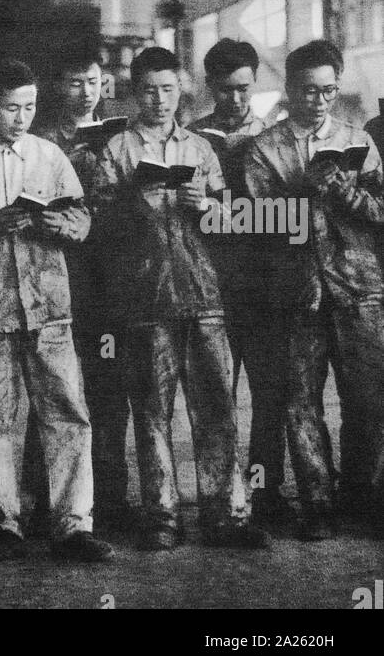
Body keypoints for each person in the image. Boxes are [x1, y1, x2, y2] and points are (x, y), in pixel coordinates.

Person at [90, 46, 267, 552]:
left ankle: (225, 514)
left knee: (217, 410)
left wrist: (206, 205)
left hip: (205, 293)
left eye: (168, 89)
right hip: (144, 299)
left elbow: (234, 220)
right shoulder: (116, 151)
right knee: (151, 413)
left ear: (180, 90)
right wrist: (133, 207)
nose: (160, 100)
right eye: (149, 90)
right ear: (133, 93)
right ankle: (161, 515)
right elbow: (98, 228)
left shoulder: (200, 149)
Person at [0, 58, 114, 565]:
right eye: (11, 108)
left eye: (30, 107)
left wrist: (58, 225)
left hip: (50, 308)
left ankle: (73, 525)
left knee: (68, 415)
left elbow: (81, 220)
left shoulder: (50, 155)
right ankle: (2, 525)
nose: (21, 117)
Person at [244, 40, 384, 540]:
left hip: (358, 288)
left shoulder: (359, 143)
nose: (320, 101)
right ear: (289, 90)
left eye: (329, 90)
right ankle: (317, 502)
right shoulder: (265, 147)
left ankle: (362, 497)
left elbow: (381, 214)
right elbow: (259, 221)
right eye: (309, 91)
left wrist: (344, 191)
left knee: (368, 401)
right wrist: (307, 189)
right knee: (300, 401)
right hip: (297, 289)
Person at [34, 45, 132, 533]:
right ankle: (45, 498)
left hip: (110, 276)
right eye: (75, 82)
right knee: (53, 394)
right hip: (59, 276)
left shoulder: (122, 134)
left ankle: (111, 497)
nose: (87, 91)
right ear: (56, 86)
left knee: (109, 390)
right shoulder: (39, 139)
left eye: (94, 82)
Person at [190, 39, 287, 529]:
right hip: (210, 286)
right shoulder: (189, 141)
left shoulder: (273, 137)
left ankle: (265, 489)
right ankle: (224, 499)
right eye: (227, 90)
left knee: (271, 392)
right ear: (210, 87)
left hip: (265, 286)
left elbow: (289, 217)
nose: (236, 100)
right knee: (216, 399)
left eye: (245, 89)